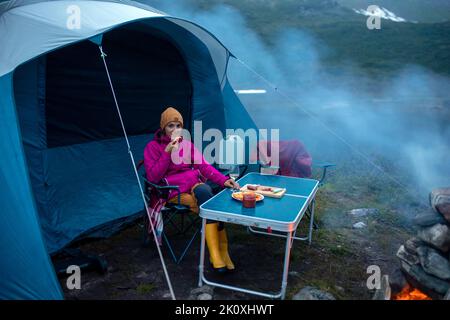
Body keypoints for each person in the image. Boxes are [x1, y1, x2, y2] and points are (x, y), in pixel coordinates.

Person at [144, 107, 239, 273]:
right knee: (210, 207)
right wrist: (167, 153)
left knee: (207, 196)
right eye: (170, 126)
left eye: (178, 126)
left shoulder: (187, 145)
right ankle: (216, 255)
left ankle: (222, 252)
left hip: (193, 185)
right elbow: (152, 178)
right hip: (171, 192)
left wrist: (224, 180)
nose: (175, 130)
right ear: (163, 128)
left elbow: (204, 166)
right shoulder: (153, 147)